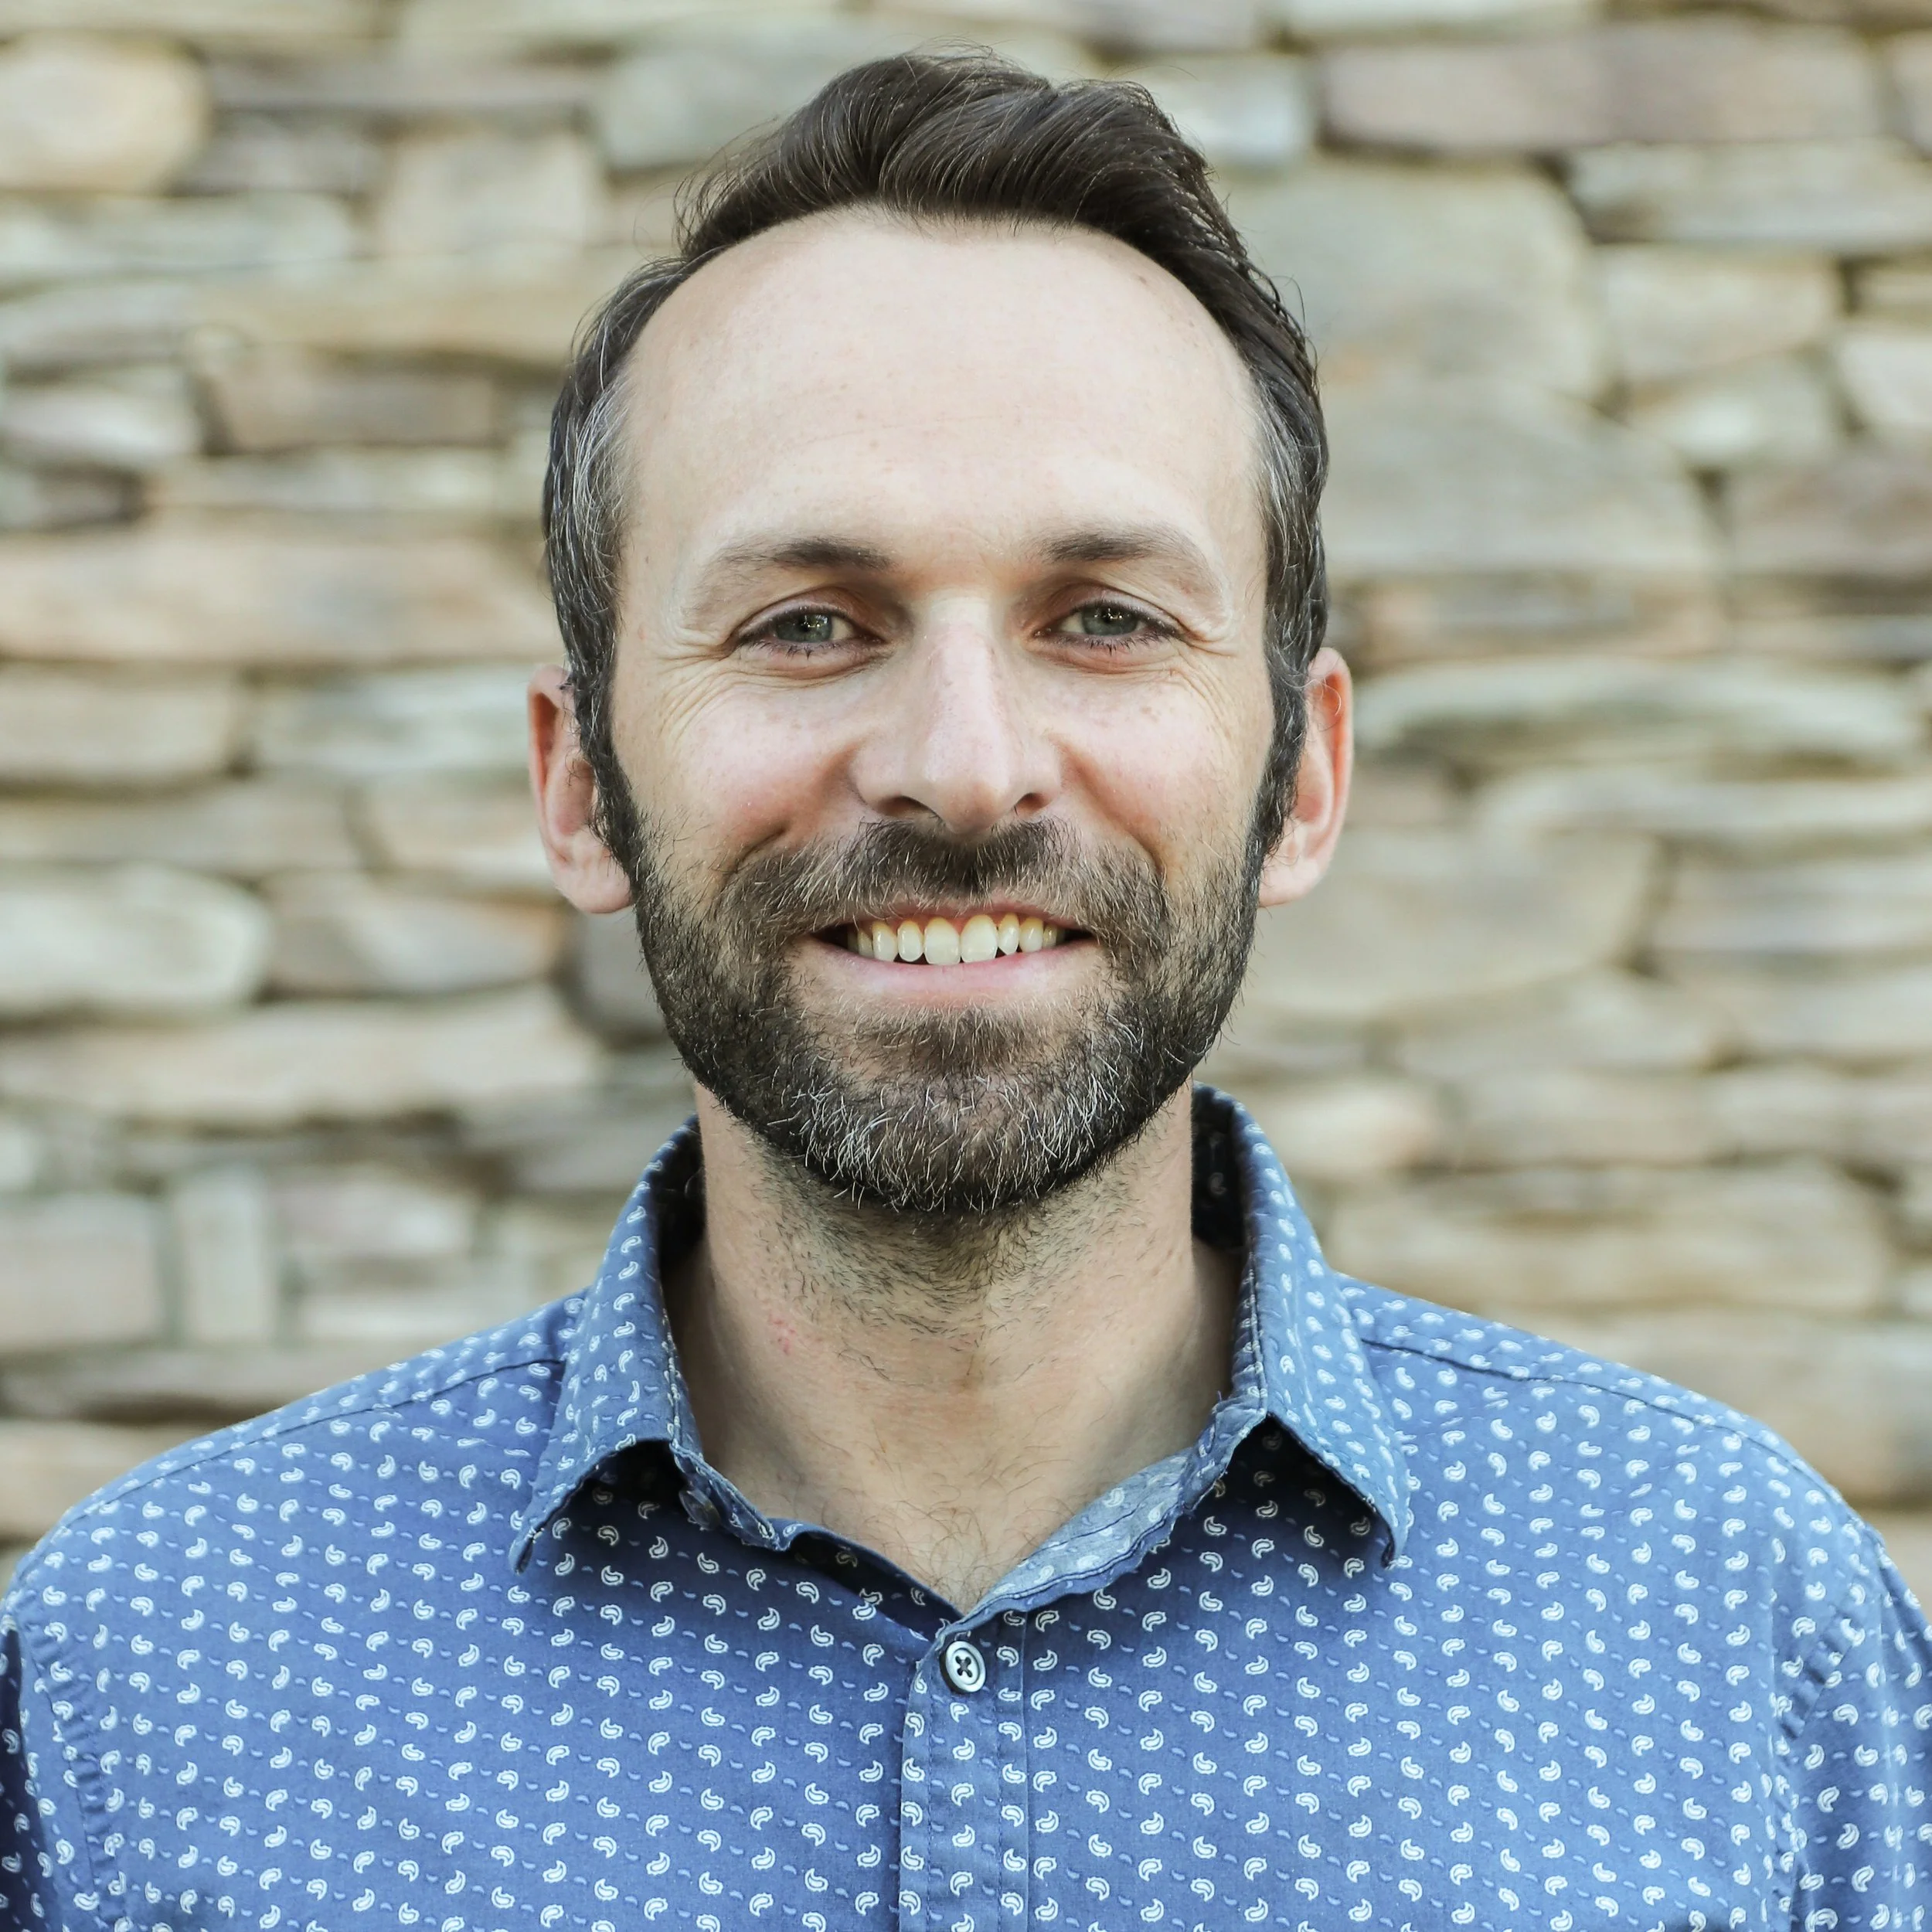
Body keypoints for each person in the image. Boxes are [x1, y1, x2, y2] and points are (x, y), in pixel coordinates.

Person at [4, 52, 1928, 1932]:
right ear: (580, 783)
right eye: (807, 623)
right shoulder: (151, 1673)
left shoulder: (1721, 1621)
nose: (963, 762)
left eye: (1101, 618)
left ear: (1303, 774)